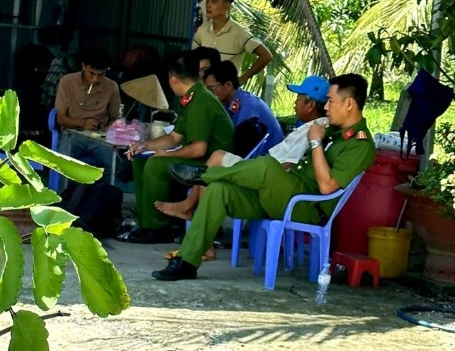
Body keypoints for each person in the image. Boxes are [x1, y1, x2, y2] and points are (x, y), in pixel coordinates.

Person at [152, 73, 376, 281]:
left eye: (331, 101)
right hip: (282, 196)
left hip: (306, 207)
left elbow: (327, 187)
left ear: (349, 104)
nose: (326, 107)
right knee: (219, 190)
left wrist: (316, 142)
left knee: (268, 167)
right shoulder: (334, 131)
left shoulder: (360, 144)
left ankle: (204, 174)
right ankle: (187, 263)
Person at [156, 75, 329, 260]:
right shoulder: (306, 126)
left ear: (310, 105)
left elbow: (289, 164)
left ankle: (192, 208)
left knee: (216, 159)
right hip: (262, 169)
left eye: (299, 98)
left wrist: (257, 171)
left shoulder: (315, 130)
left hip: (268, 178)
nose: (295, 102)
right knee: (216, 172)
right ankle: (195, 216)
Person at [122, 50, 235, 244]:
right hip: (203, 157)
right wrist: (144, 145)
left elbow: (198, 149)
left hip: (211, 163)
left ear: (173, 80)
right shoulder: (194, 97)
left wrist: (163, 154)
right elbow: (175, 137)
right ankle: (146, 221)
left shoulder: (201, 101)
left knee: (155, 165)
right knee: (141, 161)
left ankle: (157, 228)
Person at [54, 47, 121, 187]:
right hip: (72, 134)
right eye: (91, 73)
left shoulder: (112, 87)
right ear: (83, 66)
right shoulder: (67, 81)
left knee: (113, 164)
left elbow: (115, 117)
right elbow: (60, 118)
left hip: (99, 137)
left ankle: (102, 201)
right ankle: (62, 201)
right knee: (64, 162)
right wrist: (82, 122)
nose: (95, 79)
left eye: (100, 75)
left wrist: (107, 130)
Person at [192, 0, 272, 85]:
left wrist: (243, 78)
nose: (208, 5)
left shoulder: (240, 32)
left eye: (214, 1)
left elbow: (266, 56)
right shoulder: (202, 30)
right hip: (204, 90)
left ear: (226, 4)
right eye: (207, 0)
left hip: (227, 93)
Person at [202, 61, 283, 154]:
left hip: (267, 157)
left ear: (228, 85)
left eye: (211, 88)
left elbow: (240, 142)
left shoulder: (248, 105)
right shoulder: (229, 103)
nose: (209, 93)